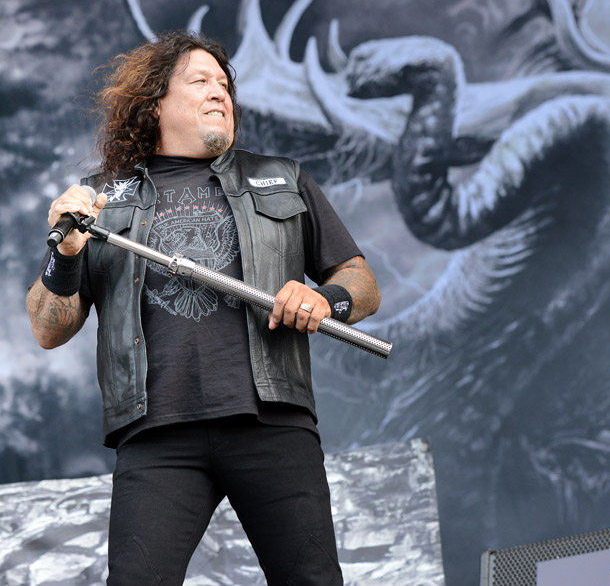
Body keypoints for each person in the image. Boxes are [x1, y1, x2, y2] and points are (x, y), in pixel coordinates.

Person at [26, 31, 380, 585]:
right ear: (154, 104)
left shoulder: (282, 177)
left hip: (271, 423)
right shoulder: (100, 198)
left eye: (224, 84)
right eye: (200, 81)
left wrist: (324, 299)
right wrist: (66, 253)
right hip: (156, 433)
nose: (220, 92)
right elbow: (48, 327)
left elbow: (361, 283)